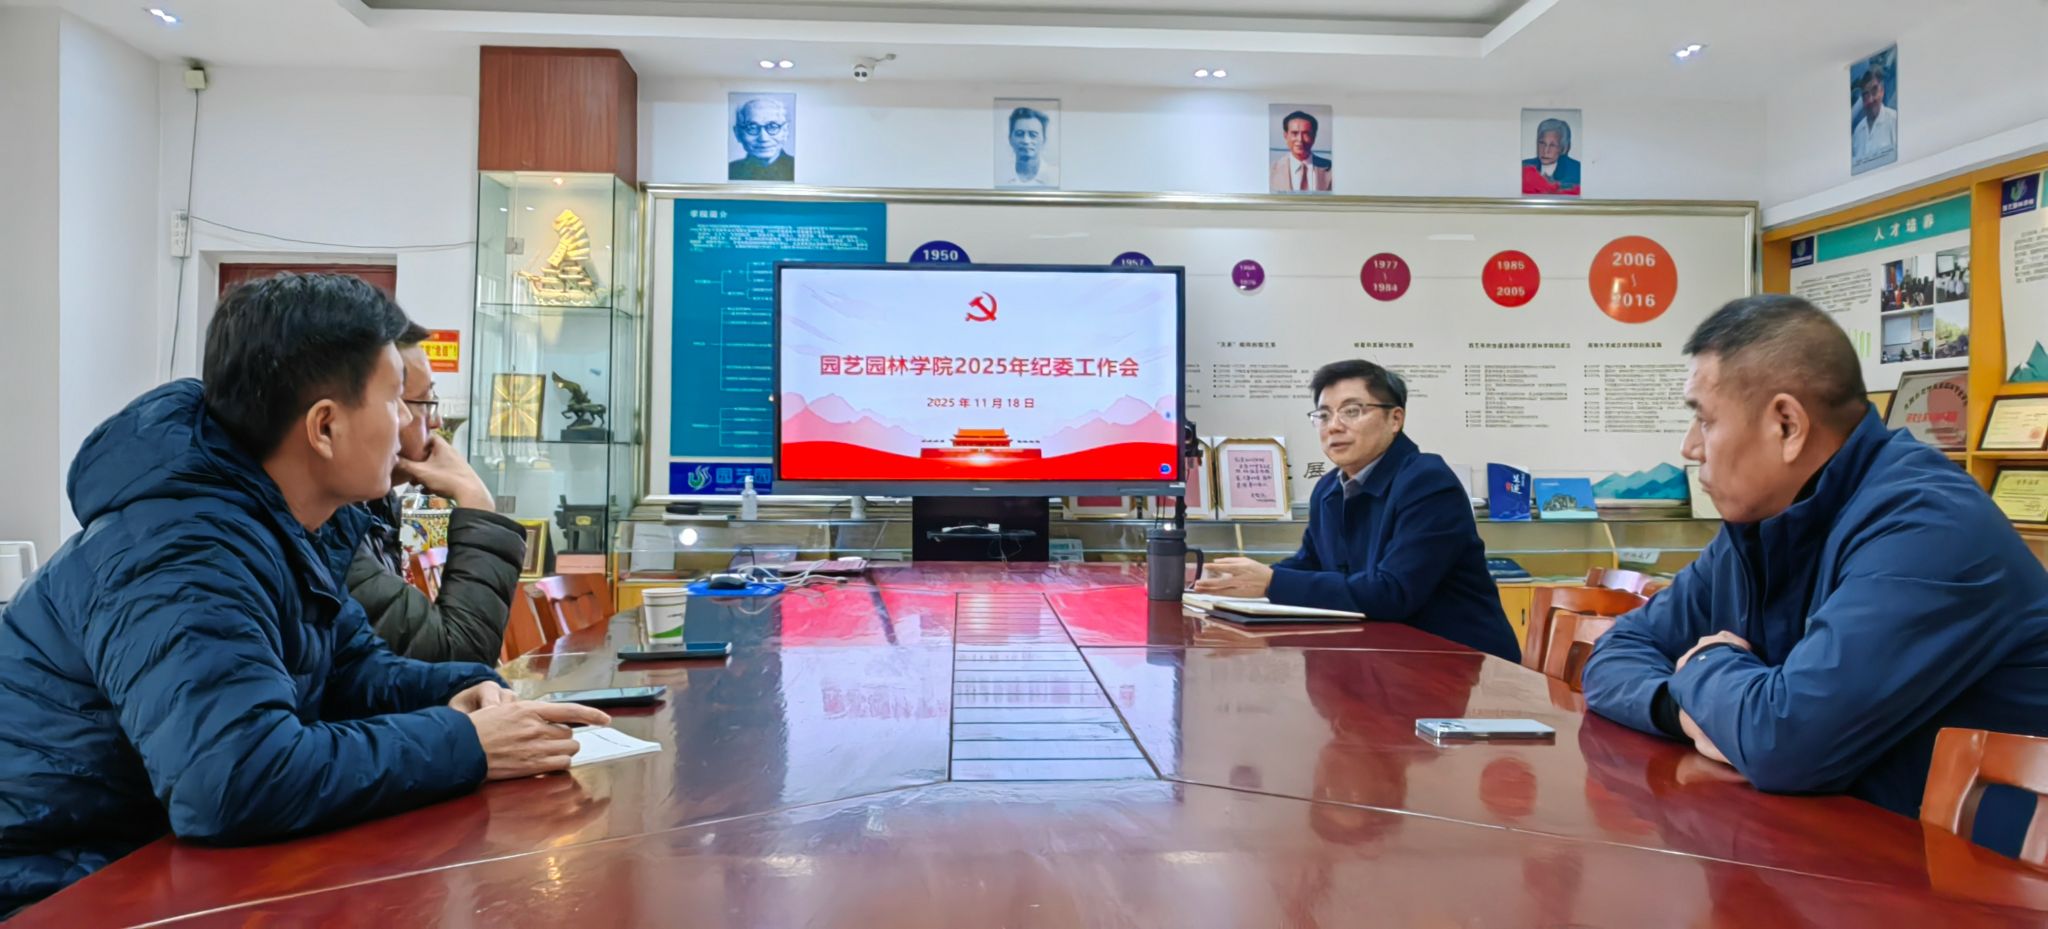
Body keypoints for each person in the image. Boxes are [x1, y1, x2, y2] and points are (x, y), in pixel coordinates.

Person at [0, 273, 609, 913]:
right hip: (56, 890)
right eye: (396, 401)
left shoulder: (285, 525)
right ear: (324, 427)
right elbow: (233, 781)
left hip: (166, 865)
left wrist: (464, 691)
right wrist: (467, 744)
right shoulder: (181, 551)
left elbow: (355, 672)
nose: (411, 425)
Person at [1581, 294, 2048, 856]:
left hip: (1970, 881)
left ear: (1787, 425)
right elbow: (1616, 652)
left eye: (1705, 420)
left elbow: (1783, 740)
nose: (1690, 447)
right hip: (1826, 853)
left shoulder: (1928, 527)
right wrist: (1683, 712)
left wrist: (1707, 663)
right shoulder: (1759, 527)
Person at [1193, 360, 1521, 660]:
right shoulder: (1328, 488)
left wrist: (1271, 582)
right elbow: (1309, 564)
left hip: (1461, 665)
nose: (1333, 426)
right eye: (1323, 415)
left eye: (1352, 411)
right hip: (1381, 657)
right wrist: (1234, 583)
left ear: (1395, 419)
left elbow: (1393, 592)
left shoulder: (1428, 483)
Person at [346, 323, 527, 665]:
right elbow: (456, 657)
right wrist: (477, 502)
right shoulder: (325, 526)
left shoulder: (372, 508)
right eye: (425, 403)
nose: (437, 422)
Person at [728, 97, 795, 181]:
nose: (763, 138)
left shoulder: (797, 168)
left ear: (785, 131)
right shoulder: (731, 171)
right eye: (752, 128)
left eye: (772, 126)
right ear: (737, 133)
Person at [1268, 110, 1332, 193]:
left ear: (1314, 137)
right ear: (1286, 136)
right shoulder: (1271, 171)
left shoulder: (1331, 169)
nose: (1300, 139)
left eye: (1305, 134)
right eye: (1294, 133)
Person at [1850, 59, 1897, 168]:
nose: (1870, 99)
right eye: (1865, 94)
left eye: (1874, 90)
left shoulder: (1895, 121)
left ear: (1882, 91)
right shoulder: (1858, 133)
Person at [998, 106, 1057, 188]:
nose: (1026, 141)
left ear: (1044, 140)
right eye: (1019, 134)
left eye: (1033, 135)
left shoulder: (1055, 177)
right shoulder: (1000, 176)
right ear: (1010, 139)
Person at [1521, 117, 1582, 196]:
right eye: (1542, 143)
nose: (1545, 151)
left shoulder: (1577, 171)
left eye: (1552, 145)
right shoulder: (1523, 167)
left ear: (1563, 148)